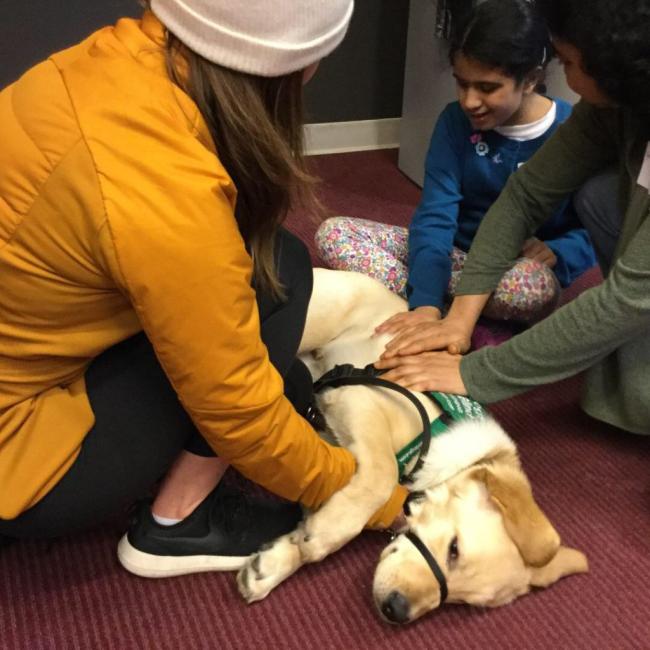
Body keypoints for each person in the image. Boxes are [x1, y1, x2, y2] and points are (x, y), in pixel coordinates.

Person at [0, 0, 407, 577]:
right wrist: (379, 500)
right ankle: (177, 524)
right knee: (280, 271)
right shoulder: (171, 191)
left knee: (273, 319)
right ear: (302, 60)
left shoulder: (102, 60)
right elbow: (242, 416)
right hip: (15, 457)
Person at [376, 0, 650, 436]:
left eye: (569, 62)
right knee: (603, 194)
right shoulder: (613, 108)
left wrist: (474, 374)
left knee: (636, 394)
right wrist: (457, 322)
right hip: (481, 263)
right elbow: (524, 196)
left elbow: (628, 298)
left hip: (621, 291)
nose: (569, 79)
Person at [315, 0, 596, 342]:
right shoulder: (453, 121)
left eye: (487, 87)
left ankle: (442, 306)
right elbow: (435, 215)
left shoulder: (573, 129)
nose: (469, 101)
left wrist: (564, 250)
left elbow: (599, 226)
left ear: (531, 80)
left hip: (514, 272)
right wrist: (427, 304)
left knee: (531, 290)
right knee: (333, 233)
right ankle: (448, 311)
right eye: (462, 84)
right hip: (454, 254)